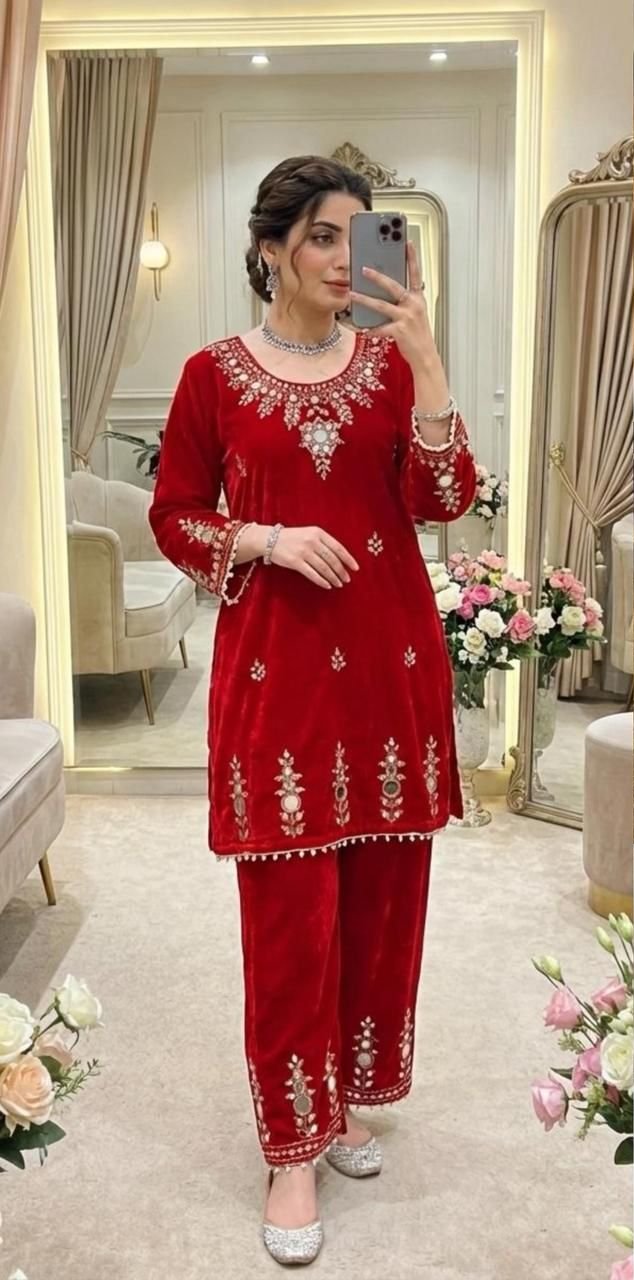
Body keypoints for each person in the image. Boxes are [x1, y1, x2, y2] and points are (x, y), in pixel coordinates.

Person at [149, 154, 477, 1267]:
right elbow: (174, 516)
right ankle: (290, 1150)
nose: (344, 260)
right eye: (323, 237)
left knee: (379, 910)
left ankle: (340, 1108)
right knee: (290, 922)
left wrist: (427, 361)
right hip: (276, 679)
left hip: (389, 673)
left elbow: (444, 497)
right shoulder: (211, 374)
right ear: (272, 249)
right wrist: (265, 538)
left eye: (358, 237)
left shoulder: (390, 368)